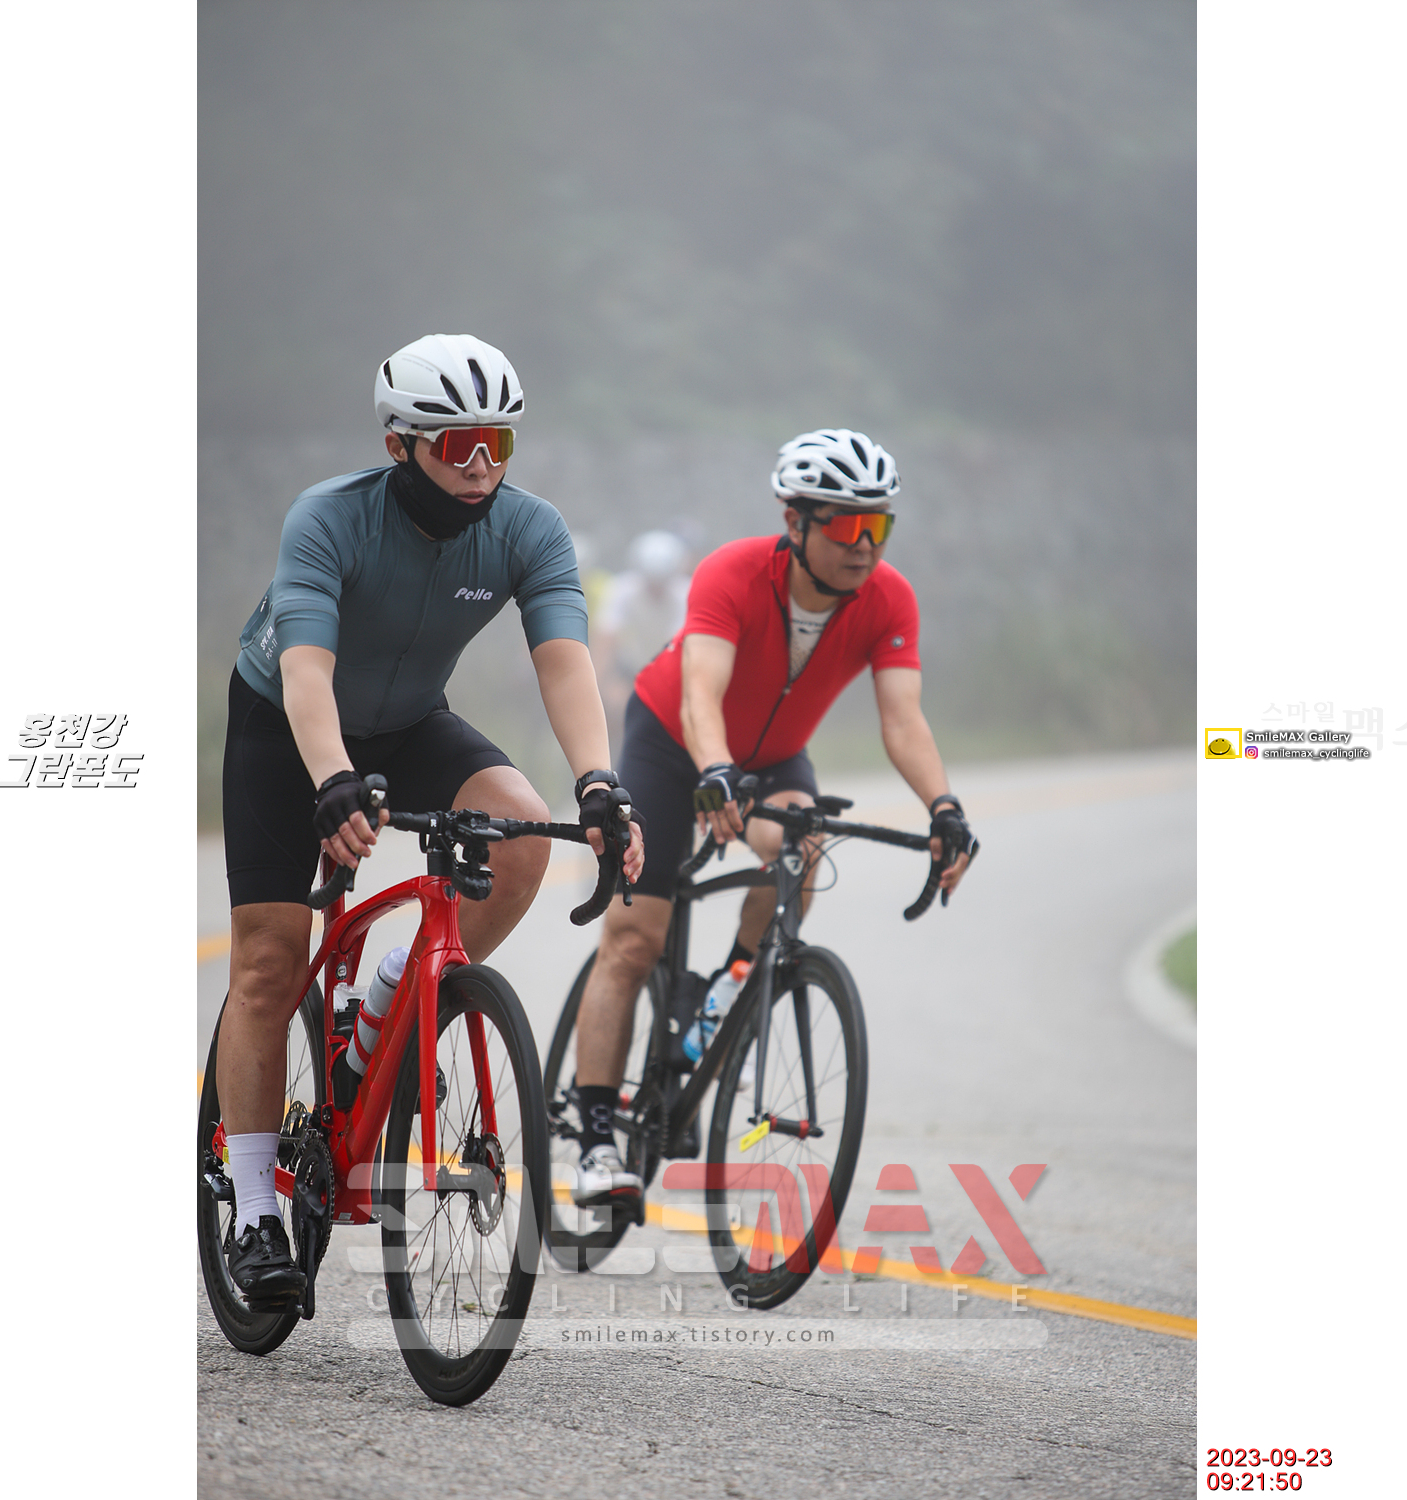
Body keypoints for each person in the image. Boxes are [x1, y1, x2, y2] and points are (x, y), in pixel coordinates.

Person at [218, 333, 644, 1306]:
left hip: (410, 721)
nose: (483, 463)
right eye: (458, 445)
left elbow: (565, 662)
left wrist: (599, 783)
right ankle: (253, 1212)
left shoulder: (530, 529)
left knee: (520, 832)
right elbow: (306, 669)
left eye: (499, 441)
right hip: (285, 724)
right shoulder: (329, 516)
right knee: (271, 962)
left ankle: (387, 1002)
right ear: (400, 444)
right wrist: (332, 778)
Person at [570, 428, 974, 1218]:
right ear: (795, 522)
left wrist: (945, 808)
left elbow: (903, 719)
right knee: (634, 940)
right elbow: (700, 692)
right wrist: (714, 770)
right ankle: (594, 1142)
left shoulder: (889, 598)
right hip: (673, 743)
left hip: (774, 759)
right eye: (847, 525)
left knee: (800, 847)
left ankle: (727, 991)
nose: (865, 545)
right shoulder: (733, 571)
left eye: (879, 525)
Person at [590, 528, 691, 750]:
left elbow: (677, 646)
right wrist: (597, 686)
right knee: (615, 710)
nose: (655, 590)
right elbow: (606, 638)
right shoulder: (622, 588)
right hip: (629, 665)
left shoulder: (685, 594)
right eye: (650, 583)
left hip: (668, 669)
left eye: (661, 583)